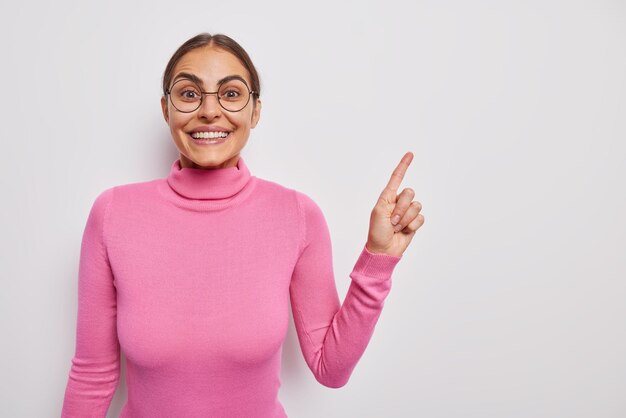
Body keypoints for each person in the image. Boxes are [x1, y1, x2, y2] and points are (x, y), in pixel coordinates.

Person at [61, 32, 425, 418]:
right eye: (189, 94)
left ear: (256, 111)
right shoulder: (114, 214)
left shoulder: (297, 216)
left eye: (231, 94)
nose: (209, 111)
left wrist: (378, 260)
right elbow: (92, 376)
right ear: (166, 109)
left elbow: (330, 369)